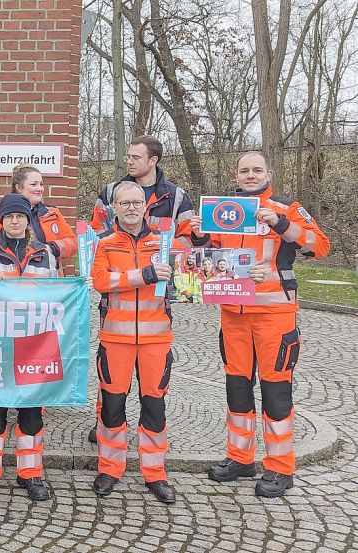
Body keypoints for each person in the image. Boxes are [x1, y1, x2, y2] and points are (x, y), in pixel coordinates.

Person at [195, 151, 330, 498]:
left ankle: (280, 469)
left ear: (269, 172)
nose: (250, 175)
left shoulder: (287, 207)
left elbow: (321, 245)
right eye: (244, 170)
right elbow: (206, 254)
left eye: (257, 170)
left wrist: (282, 224)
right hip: (233, 314)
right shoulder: (222, 210)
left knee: (275, 393)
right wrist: (197, 235)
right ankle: (241, 458)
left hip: (274, 314)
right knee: (237, 390)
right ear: (236, 175)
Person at [87, 135, 205, 444]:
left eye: (136, 157)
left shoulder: (176, 196)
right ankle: (105, 435)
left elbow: (188, 244)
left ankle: (154, 472)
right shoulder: (110, 191)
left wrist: (166, 254)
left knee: (154, 404)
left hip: (155, 318)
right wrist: (139, 267)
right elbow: (96, 234)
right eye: (128, 156)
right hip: (116, 317)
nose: (129, 161)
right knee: (112, 394)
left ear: (153, 160)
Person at [0, 194, 61, 502]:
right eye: (9, 217)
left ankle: (30, 475)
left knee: (31, 415)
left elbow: (59, 295)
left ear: (27, 220)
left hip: (35, 347)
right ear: (1, 220)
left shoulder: (45, 254)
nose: (15, 221)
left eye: (20, 216)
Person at [90, 181, 178, 504]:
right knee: (112, 408)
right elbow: (101, 281)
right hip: (116, 340)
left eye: (136, 202)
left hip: (156, 340)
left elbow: (185, 278)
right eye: (124, 203)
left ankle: (155, 473)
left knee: (154, 407)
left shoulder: (163, 243)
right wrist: (145, 274)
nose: (130, 208)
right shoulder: (106, 244)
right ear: (114, 207)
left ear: (146, 206)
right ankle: (110, 468)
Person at [0, 164, 77, 261]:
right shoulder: (0, 213)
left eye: (41, 184)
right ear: (19, 187)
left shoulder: (52, 213)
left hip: (48, 275)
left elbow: (72, 243)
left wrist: (51, 248)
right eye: (34, 184)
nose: (40, 189)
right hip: (12, 274)